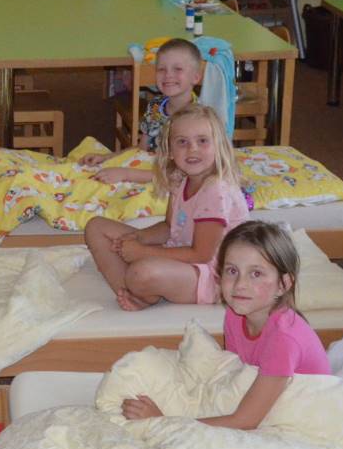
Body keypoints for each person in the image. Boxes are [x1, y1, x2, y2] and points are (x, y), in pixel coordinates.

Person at [121, 221, 329, 429]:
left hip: (307, 415)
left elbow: (245, 421)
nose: (240, 284)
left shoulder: (283, 339)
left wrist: (163, 422)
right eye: (232, 271)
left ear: (283, 284)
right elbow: (232, 380)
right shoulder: (235, 315)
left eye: (256, 273)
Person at [83, 103, 248, 311]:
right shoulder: (180, 180)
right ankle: (134, 292)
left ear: (219, 146)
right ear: (170, 151)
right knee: (96, 227)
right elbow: (170, 227)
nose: (192, 149)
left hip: (214, 276)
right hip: (181, 255)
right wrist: (140, 237)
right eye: (182, 142)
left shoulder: (215, 190)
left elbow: (202, 255)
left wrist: (143, 252)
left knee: (142, 271)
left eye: (203, 141)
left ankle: (140, 290)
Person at [80, 37, 204, 185]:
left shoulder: (199, 119)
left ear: (196, 77)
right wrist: (107, 158)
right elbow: (141, 149)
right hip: (145, 170)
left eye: (177, 69)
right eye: (161, 69)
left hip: (170, 185)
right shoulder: (156, 106)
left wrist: (126, 174)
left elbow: (184, 174)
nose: (168, 75)